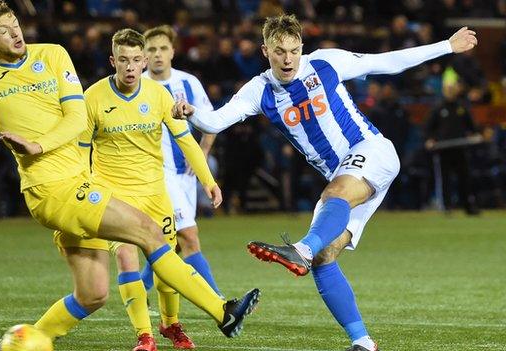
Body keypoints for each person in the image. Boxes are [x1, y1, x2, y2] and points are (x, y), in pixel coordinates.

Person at [0, 2, 260, 349]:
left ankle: (30, 339)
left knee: (92, 294)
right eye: (4, 31)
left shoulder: (52, 55)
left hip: (80, 184)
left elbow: (75, 118)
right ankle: (222, 312)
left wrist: (38, 144)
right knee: (148, 233)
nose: (16, 33)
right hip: (52, 190)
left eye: (15, 24)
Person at [172, 14, 477, 351]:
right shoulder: (259, 90)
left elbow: (386, 63)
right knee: (324, 256)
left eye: (294, 50)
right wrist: (191, 114)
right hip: (345, 182)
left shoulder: (325, 63)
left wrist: (447, 46)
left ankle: (300, 249)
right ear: (265, 51)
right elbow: (215, 122)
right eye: (279, 51)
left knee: (328, 207)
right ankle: (362, 341)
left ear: (302, 47)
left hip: (371, 151)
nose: (288, 59)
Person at [37, 28, 223, 351]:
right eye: (123, 60)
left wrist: (208, 180)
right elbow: (80, 152)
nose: (131, 66)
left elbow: (185, 140)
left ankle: (171, 324)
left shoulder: (158, 95)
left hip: (155, 194)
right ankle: (144, 335)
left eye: (137, 59)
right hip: (114, 196)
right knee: (126, 257)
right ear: (113, 61)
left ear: (144, 61)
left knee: (167, 261)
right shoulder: (92, 98)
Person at [139, 25, 223, 300]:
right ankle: (220, 302)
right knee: (188, 237)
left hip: (185, 175)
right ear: (143, 55)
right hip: (157, 174)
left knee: (168, 242)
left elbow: (210, 123)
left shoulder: (188, 83)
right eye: (151, 49)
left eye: (163, 48)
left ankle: (138, 291)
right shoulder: (137, 85)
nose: (158, 54)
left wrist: (201, 153)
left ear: (173, 51)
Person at [425, 68, 480, 214]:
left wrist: (475, 134)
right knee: (445, 179)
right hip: (443, 149)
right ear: (443, 90)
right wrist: (430, 140)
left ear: (456, 89)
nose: (450, 91)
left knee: (465, 178)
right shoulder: (438, 108)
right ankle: (446, 206)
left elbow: (472, 126)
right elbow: (428, 128)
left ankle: (468, 206)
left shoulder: (462, 107)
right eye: (447, 89)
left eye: (452, 88)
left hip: (460, 147)